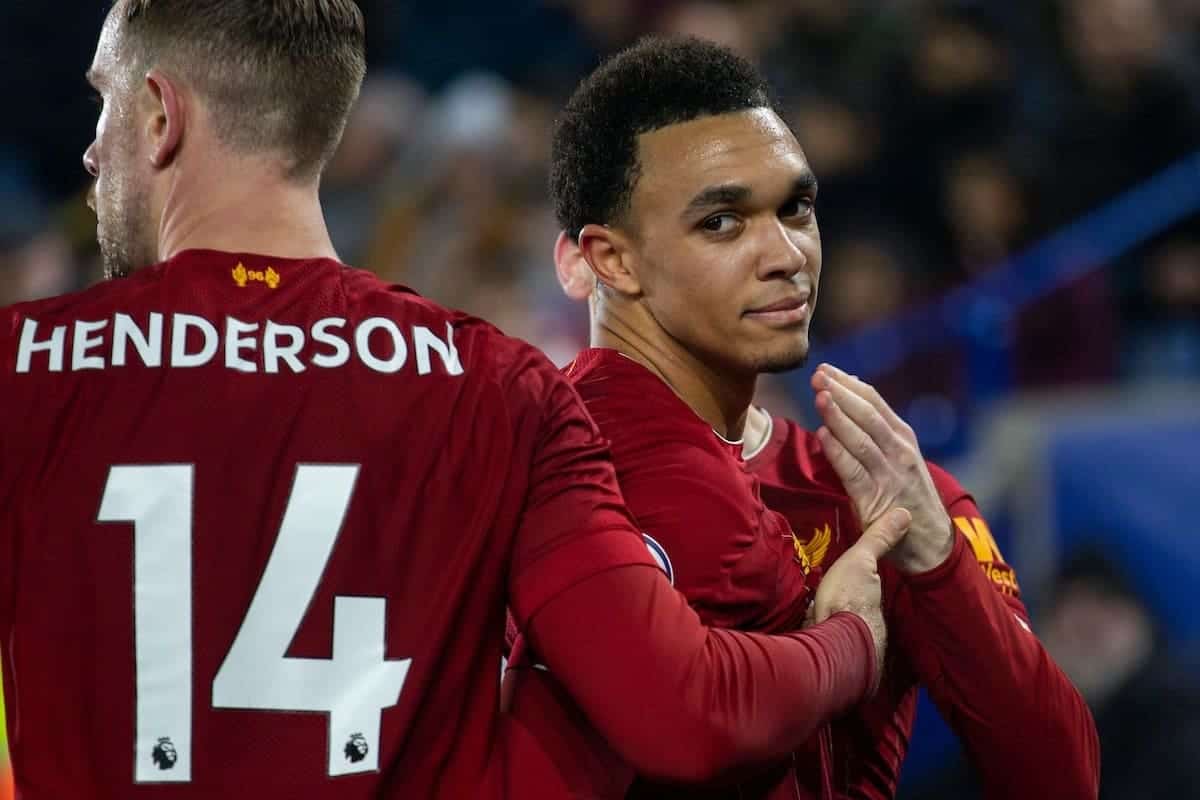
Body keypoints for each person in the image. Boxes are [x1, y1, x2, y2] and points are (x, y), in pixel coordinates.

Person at [0, 4, 917, 798]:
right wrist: (845, 640)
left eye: (105, 102)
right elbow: (683, 710)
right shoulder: (499, 386)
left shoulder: (23, 367)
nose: (91, 146)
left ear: (160, 114)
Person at [504, 36, 1099, 799]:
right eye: (722, 221)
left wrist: (936, 557)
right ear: (609, 259)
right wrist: (849, 641)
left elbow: (1061, 776)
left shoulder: (879, 496)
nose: (786, 253)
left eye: (797, 208)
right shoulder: (526, 465)